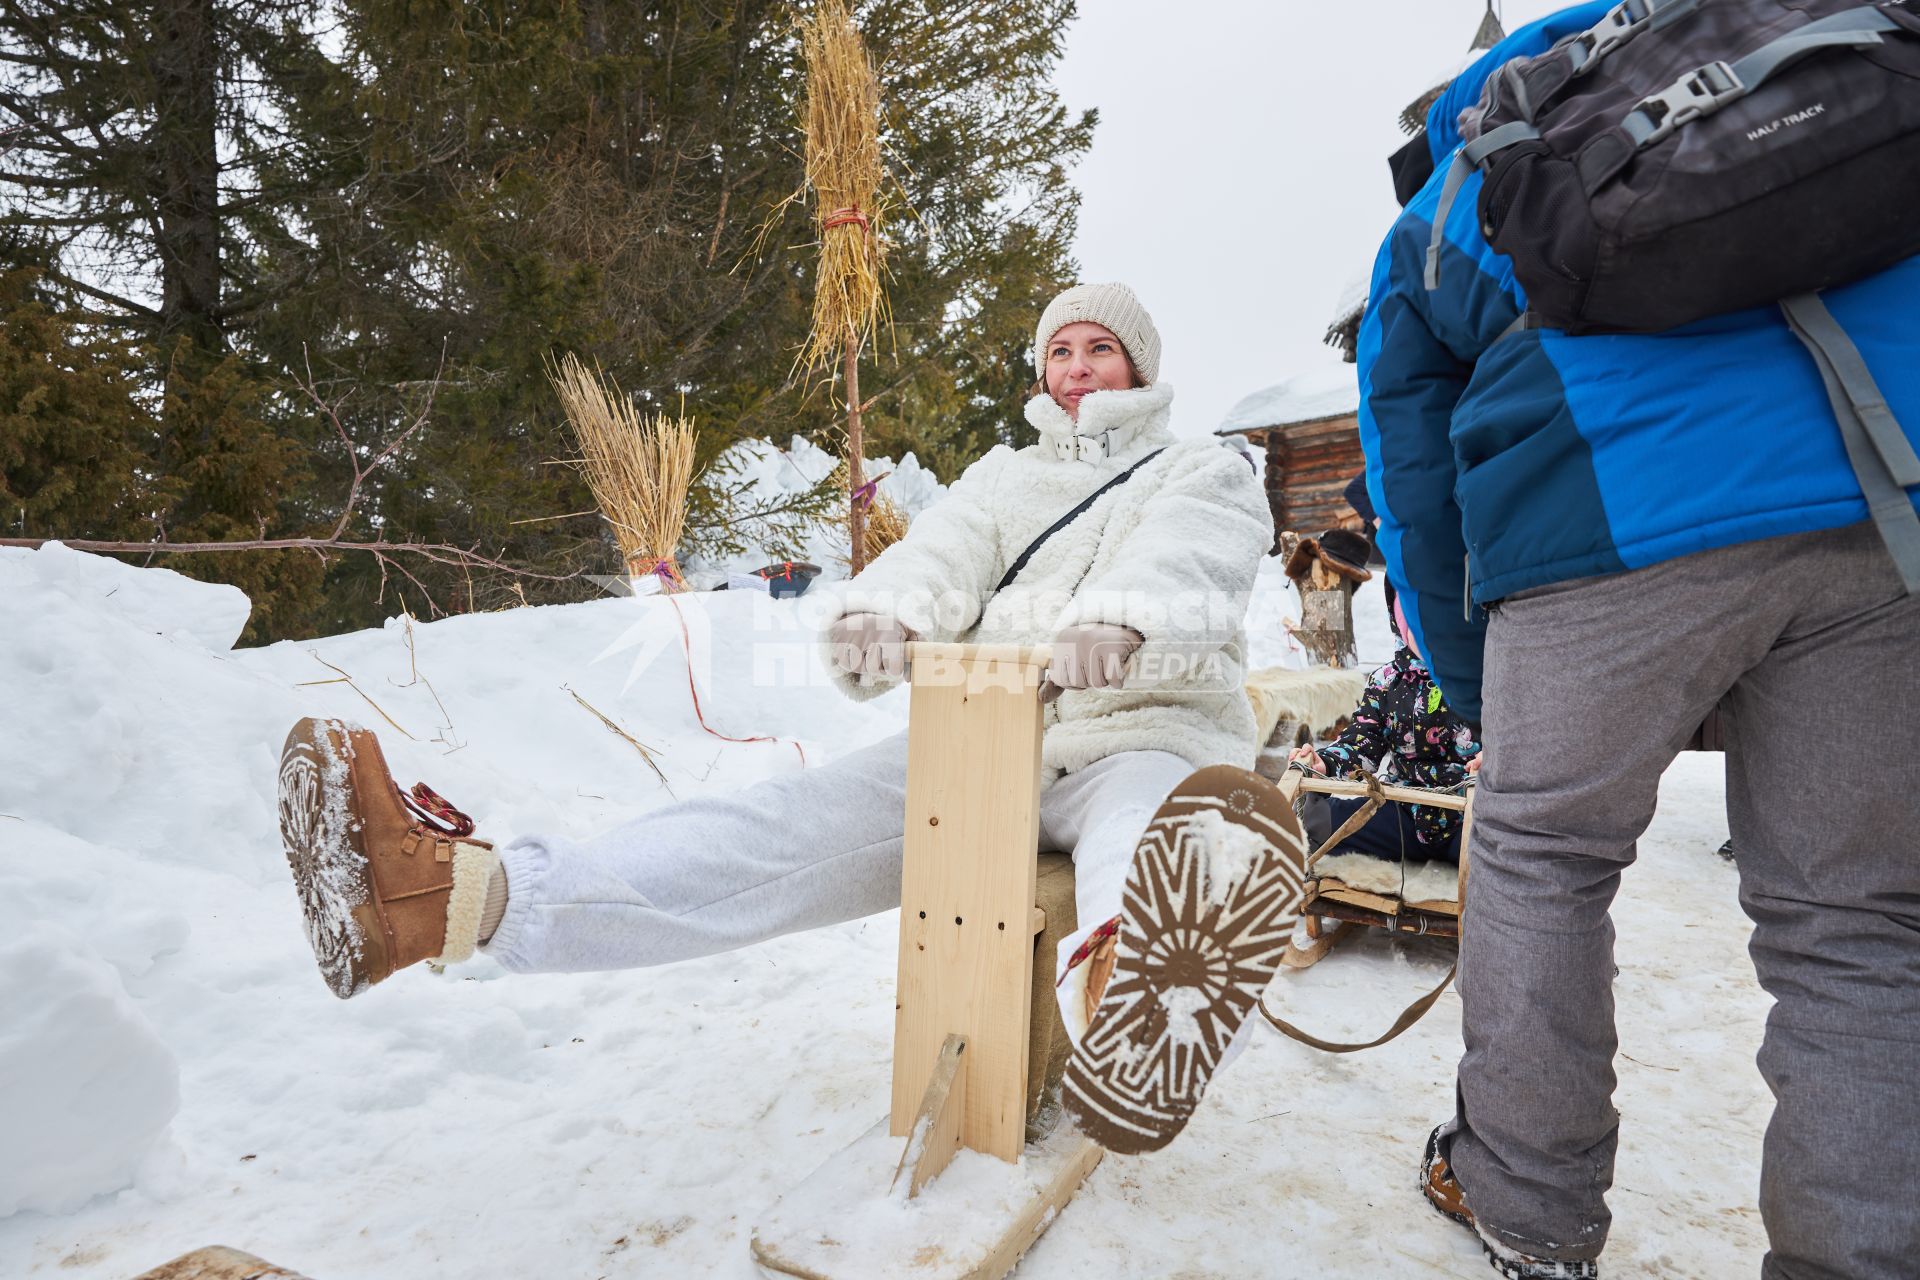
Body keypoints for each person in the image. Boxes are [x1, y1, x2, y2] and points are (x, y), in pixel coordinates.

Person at [276, 281, 1278, 1055]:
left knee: (1151, 829)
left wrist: (1123, 623)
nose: (1075, 365)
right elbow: (947, 551)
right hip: (997, 735)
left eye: (1100, 347)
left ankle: (1142, 1000)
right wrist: (882, 611)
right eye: (1059, 348)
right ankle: (462, 898)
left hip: (1144, 728)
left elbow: (1189, 559)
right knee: (777, 830)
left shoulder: (1201, 466)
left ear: (1140, 368)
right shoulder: (1004, 475)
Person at [1362, 6, 1920, 1278]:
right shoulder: (1844, 64)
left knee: (1544, 851)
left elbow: (1414, 471)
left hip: (1609, 519)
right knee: (1860, 921)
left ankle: (1526, 1199)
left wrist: (1476, 693)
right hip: (1887, 521)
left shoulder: (1478, 170)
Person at [1287, 594, 1478, 876]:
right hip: (1404, 814)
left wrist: (1496, 761)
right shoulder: (1387, 681)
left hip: (1470, 817)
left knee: (1503, 853)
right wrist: (1324, 764)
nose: (1428, 631)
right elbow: (1362, 743)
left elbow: (1515, 738)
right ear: (1400, 623)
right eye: (1413, 620)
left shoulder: (1486, 675)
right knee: (1323, 823)